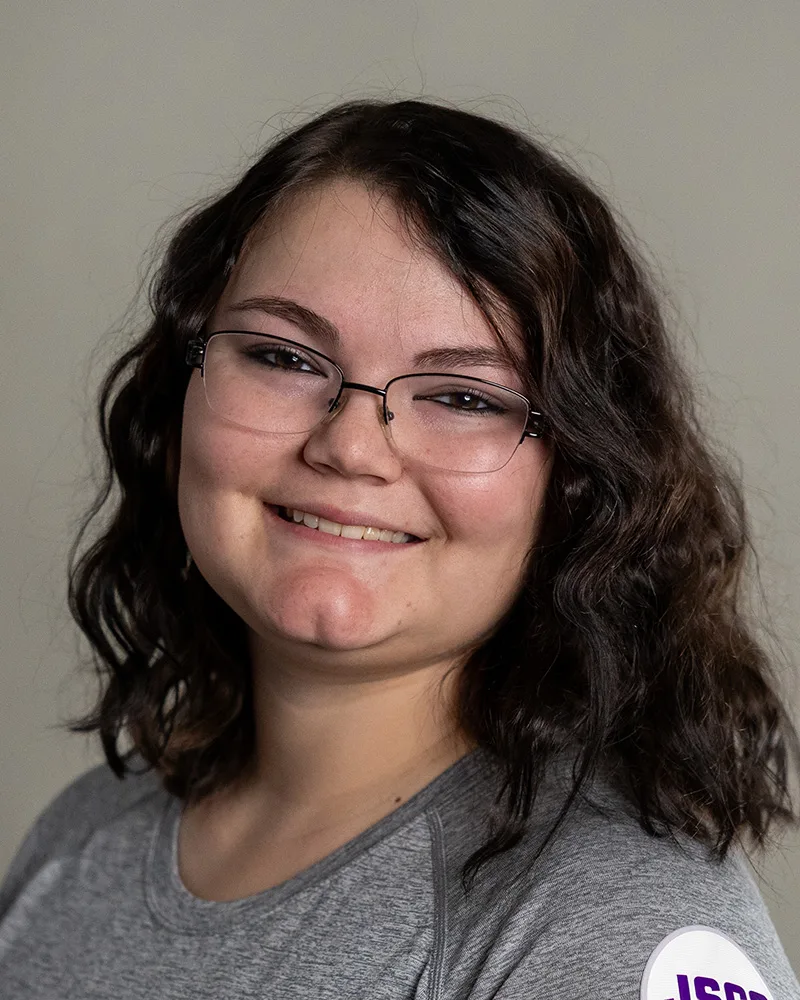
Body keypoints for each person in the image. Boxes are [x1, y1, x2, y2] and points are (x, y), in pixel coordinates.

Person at [1, 97, 799, 1000]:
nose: (348, 445)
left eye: (463, 398)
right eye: (284, 358)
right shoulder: (82, 843)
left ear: (581, 480)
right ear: (176, 390)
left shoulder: (612, 920)